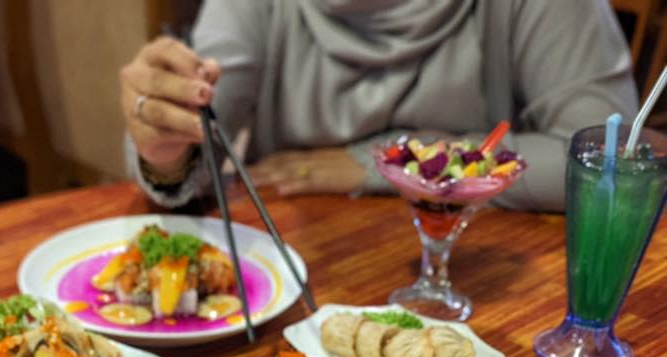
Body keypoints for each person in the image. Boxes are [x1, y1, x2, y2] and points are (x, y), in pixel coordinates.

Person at [120, 0, 638, 212]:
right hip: (303, 282)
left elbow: (609, 162)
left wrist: (380, 162)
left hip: (492, 284)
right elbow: (192, 137)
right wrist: (165, 150)